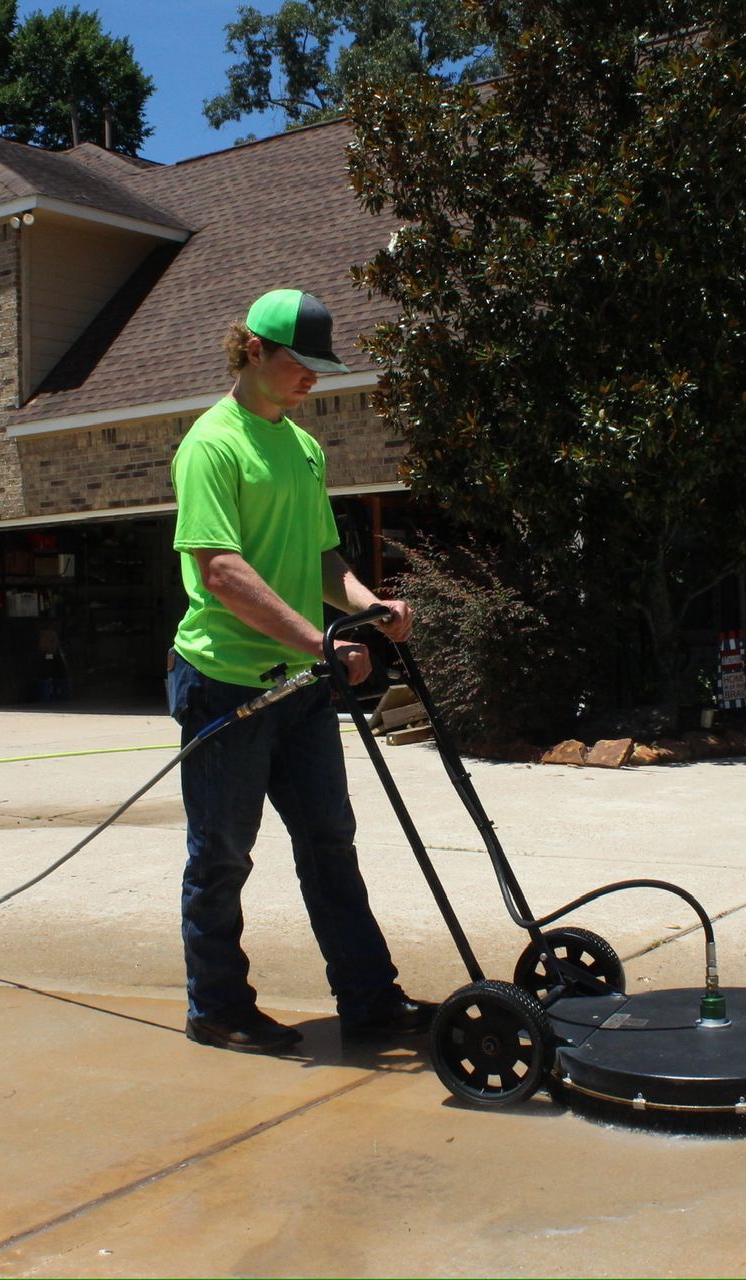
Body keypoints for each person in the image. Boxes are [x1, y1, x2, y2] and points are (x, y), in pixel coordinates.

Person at [167, 288, 434, 1054]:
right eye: (300, 363)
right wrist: (323, 643)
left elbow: (321, 559)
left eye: (321, 365)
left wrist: (368, 605)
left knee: (329, 843)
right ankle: (216, 1007)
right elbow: (221, 570)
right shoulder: (212, 445)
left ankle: (371, 1002)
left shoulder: (303, 447)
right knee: (222, 854)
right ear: (253, 348)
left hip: (302, 684)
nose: (314, 378)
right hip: (223, 682)